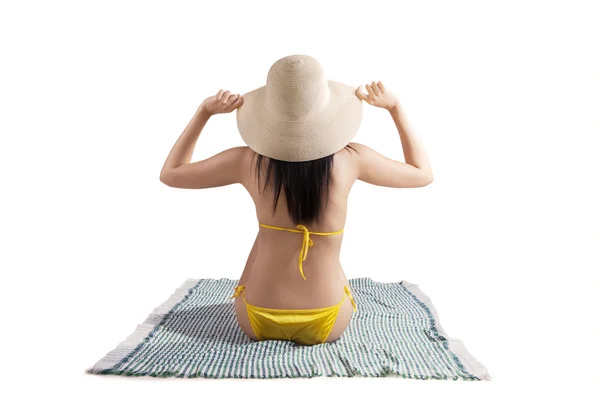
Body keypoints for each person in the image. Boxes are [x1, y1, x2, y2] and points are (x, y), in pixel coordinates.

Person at [159, 54, 433, 345]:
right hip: (328, 321)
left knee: (270, 235)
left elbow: (171, 173)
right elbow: (422, 173)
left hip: (255, 319)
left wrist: (204, 112)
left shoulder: (247, 161)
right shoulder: (353, 159)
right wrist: (395, 108)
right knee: (320, 245)